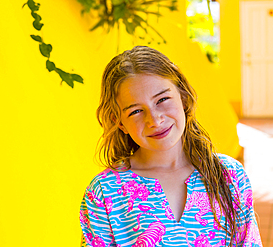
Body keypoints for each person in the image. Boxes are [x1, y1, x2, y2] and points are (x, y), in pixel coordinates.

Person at [79, 46, 262, 247]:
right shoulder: (104, 193)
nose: (155, 120)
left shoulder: (229, 176)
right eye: (136, 111)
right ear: (119, 122)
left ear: (182, 96)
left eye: (162, 100)